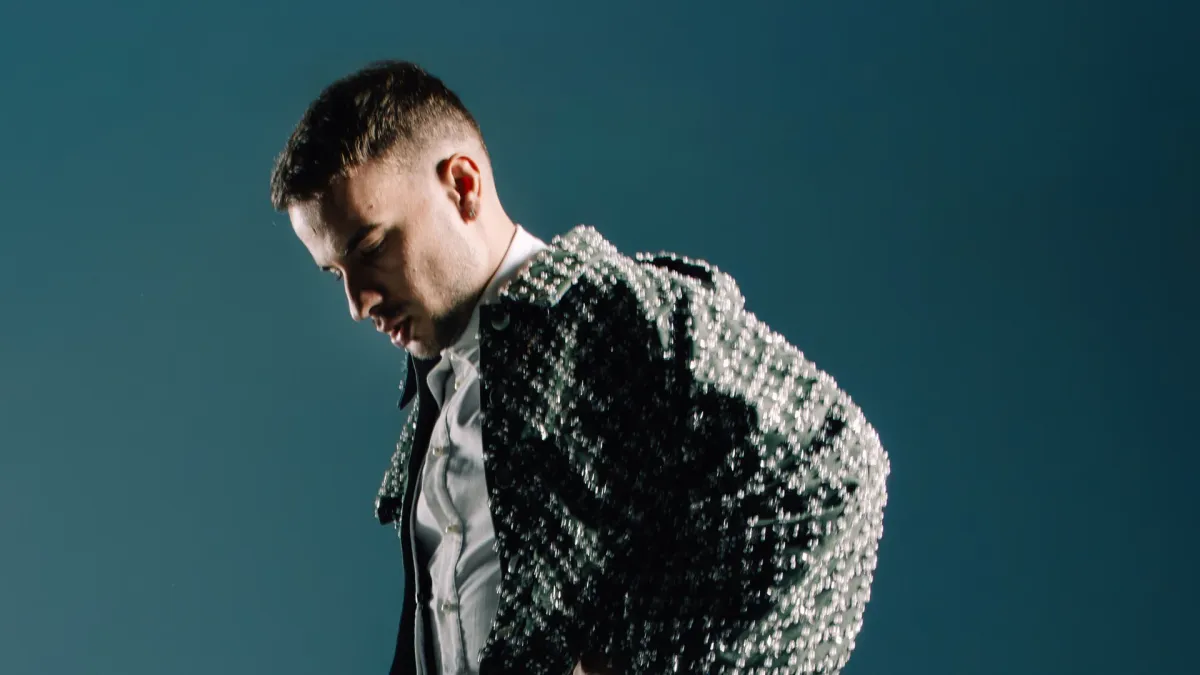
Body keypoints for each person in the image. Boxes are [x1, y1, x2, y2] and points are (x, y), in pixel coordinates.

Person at [269, 60, 889, 675]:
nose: (357, 304)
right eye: (335, 273)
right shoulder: (439, 387)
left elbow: (837, 469)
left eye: (372, 248)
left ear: (462, 186)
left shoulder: (619, 310)